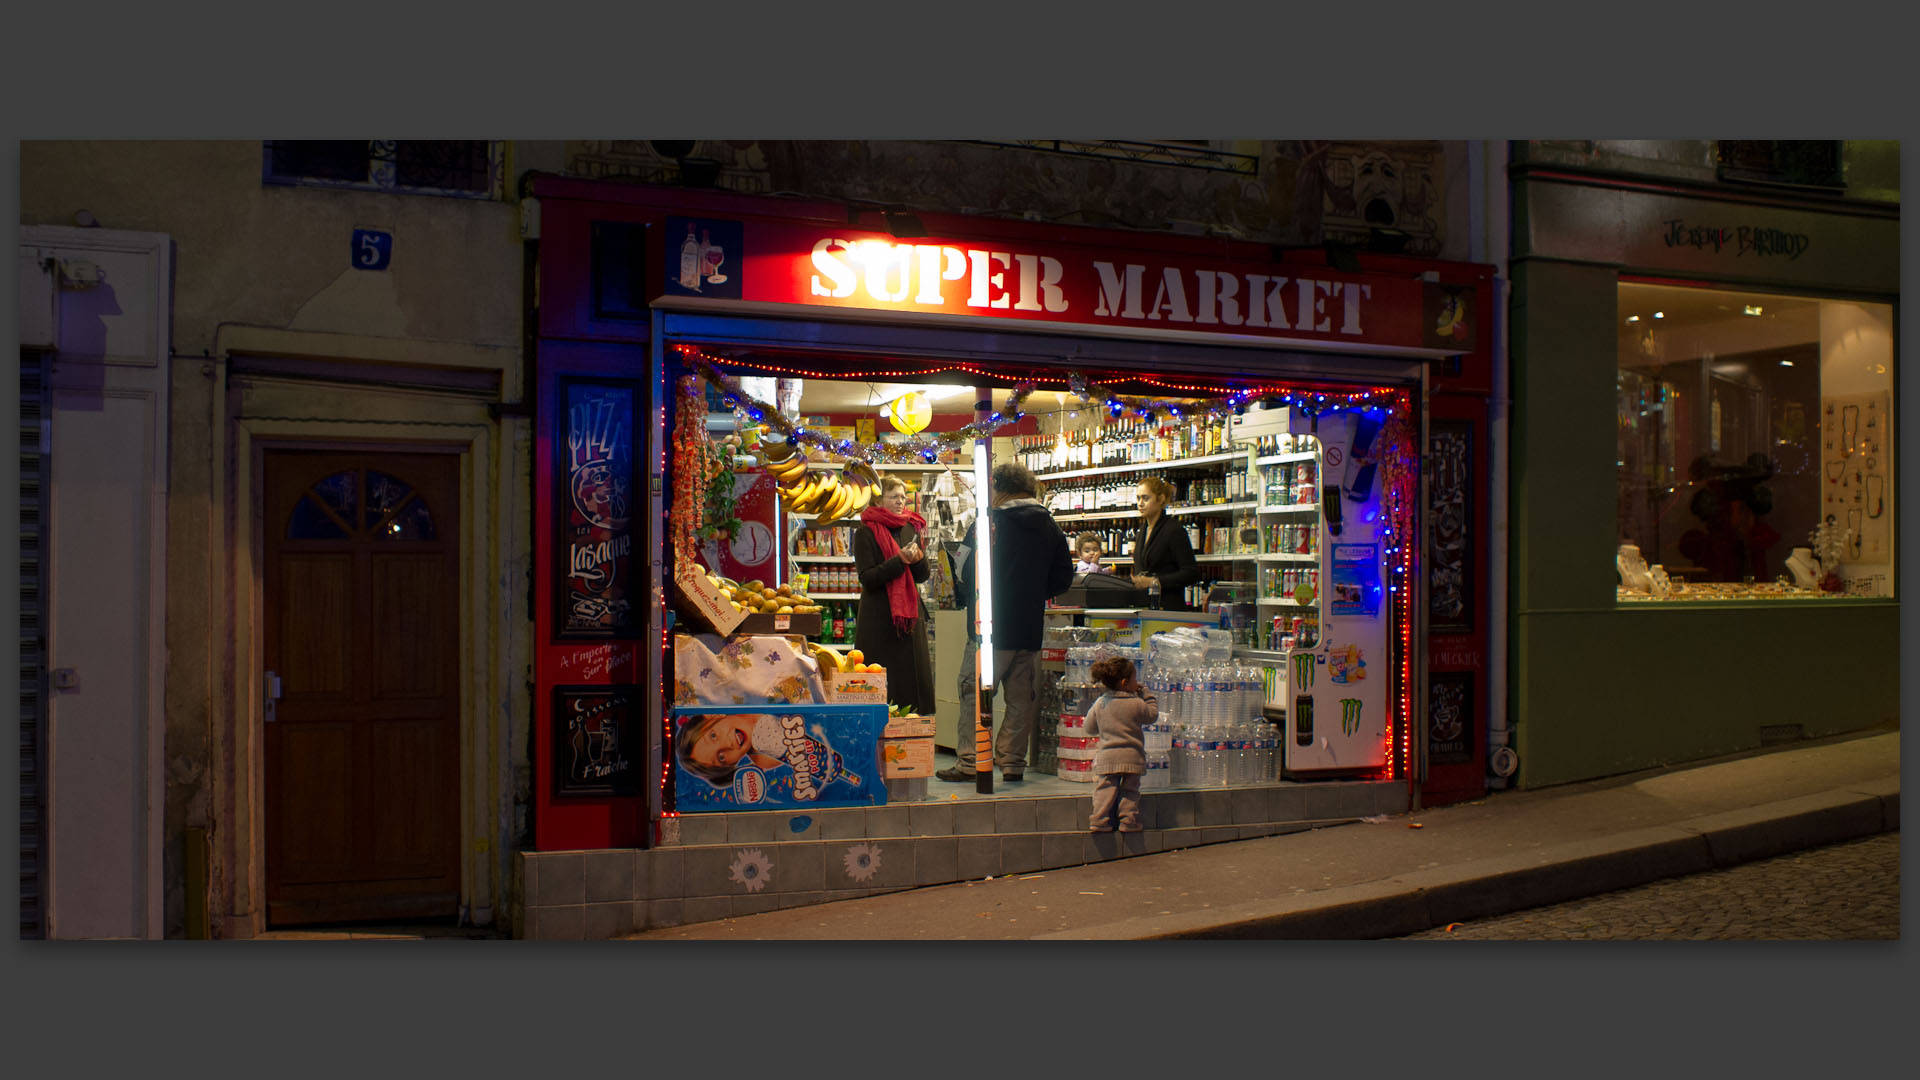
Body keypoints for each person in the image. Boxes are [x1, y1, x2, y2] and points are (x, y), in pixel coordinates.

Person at [937, 462, 1073, 783]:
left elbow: (965, 570)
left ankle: (971, 761)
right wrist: (1033, 593)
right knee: (1019, 699)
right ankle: (1012, 762)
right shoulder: (1049, 526)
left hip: (989, 628)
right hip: (1028, 628)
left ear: (999, 487)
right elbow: (1063, 577)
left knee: (974, 694)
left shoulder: (987, 524)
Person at [852, 475, 935, 715]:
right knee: (882, 684)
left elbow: (921, 575)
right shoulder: (865, 533)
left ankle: (912, 732)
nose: (901, 502)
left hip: (908, 619)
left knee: (912, 683)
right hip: (880, 619)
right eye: (894, 497)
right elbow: (867, 578)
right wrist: (899, 561)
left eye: (903, 497)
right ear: (878, 500)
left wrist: (918, 560)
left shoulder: (910, 527)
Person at [1083, 655, 1156, 832]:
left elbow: (1089, 728)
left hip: (1107, 757)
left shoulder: (1101, 703)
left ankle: (1099, 820)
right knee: (1130, 791)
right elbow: (1152, 715)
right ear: (1125, 682)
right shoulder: (1137, 703)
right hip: (1132, 757)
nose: (1136, 682)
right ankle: (1128, 821)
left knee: (1105, 789)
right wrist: (1148, 695)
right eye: (1134, 678)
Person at [1128, 476, 1201, 609]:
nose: (1140, 503)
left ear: (1160, 499)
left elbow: (1191, 573)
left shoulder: (1173, 530)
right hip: (1145, 606)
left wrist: (1154, 582)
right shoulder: (1141, 532)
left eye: (1146, 498)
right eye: (1138, 498)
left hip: (1168, 607)